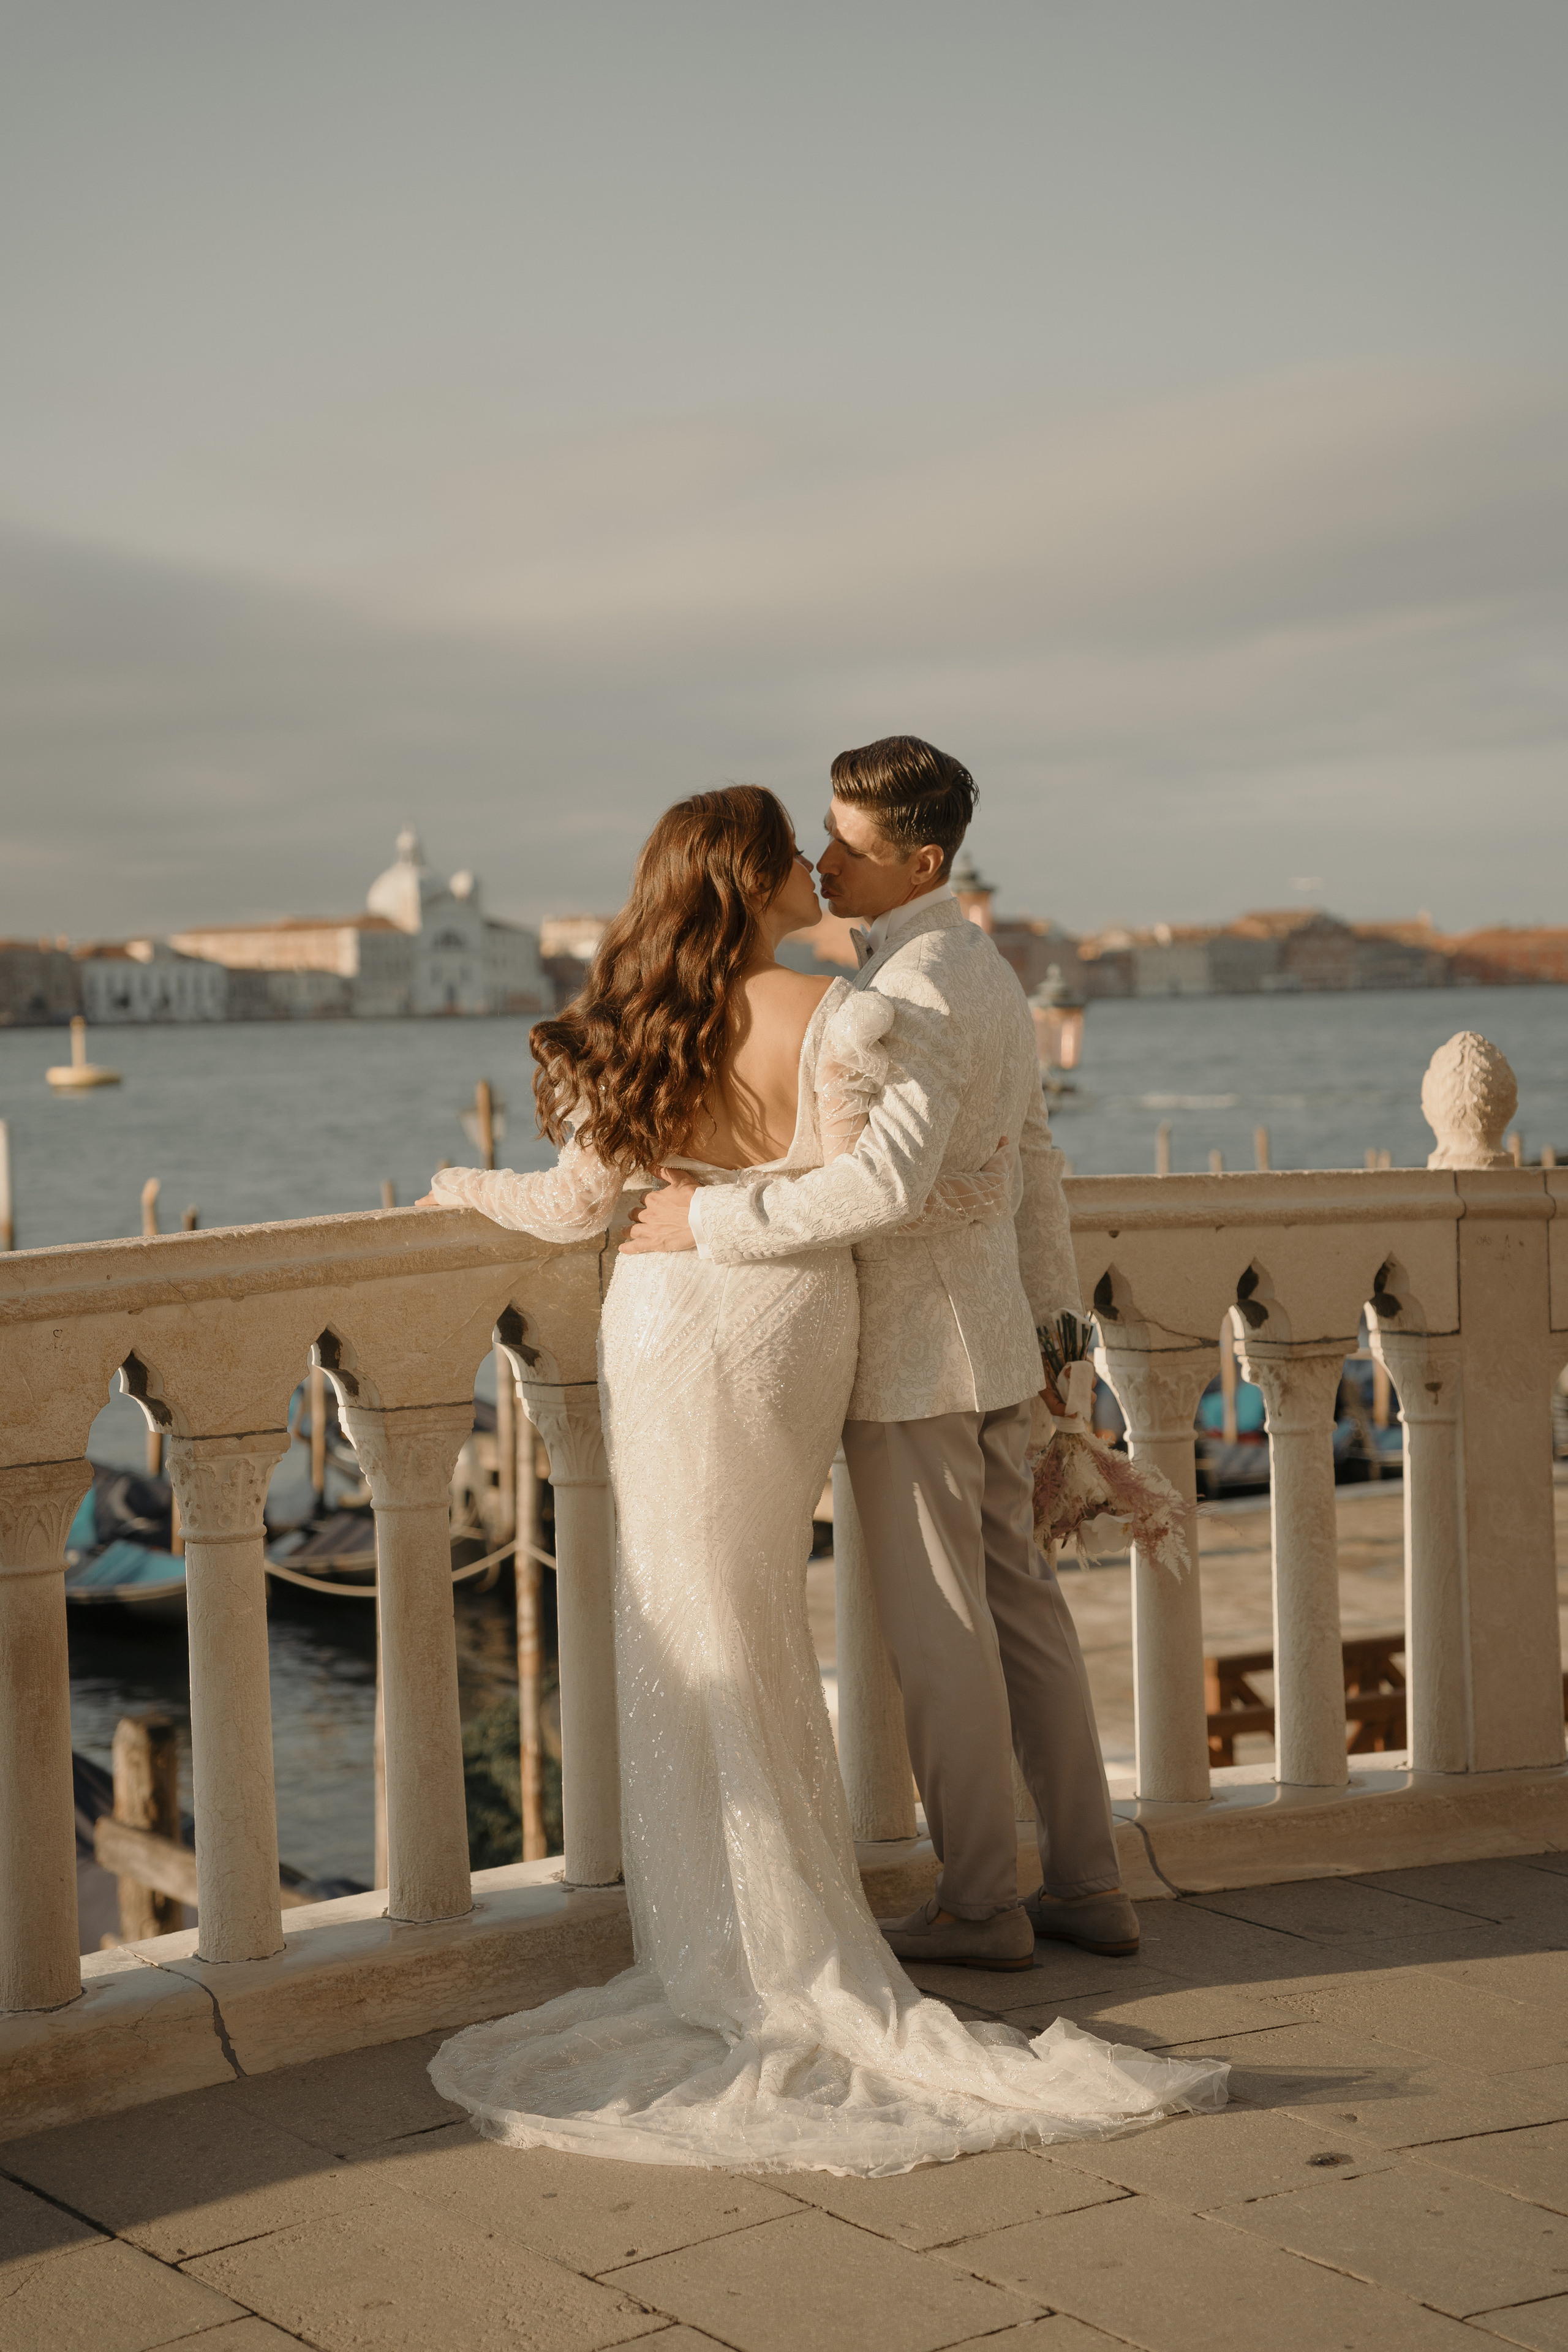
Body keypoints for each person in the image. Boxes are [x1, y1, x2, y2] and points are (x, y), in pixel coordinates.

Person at [421, 782, 1225, 2174]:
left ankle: (739, 1932)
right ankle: (843, 1912)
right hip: (807, 1328)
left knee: (695, 1613)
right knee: (755, 1614)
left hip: (676, 1315)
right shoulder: (842, 1014)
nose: (813, 862)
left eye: (833, 843)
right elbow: (933, 1174)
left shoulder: (644, 1023)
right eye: (794, 849)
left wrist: (451, 1186)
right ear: (750, 886)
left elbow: (569, 1209)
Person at [625, 738, 1139, 1972]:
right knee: (1019, 1616)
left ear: (916, 859)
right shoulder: (990, 971)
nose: (818, 857)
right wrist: (1057, 1323)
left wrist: (708, 1217)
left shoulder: (907, 989)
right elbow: (1034, 1167)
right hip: (995, 1344)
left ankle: (980, 1904)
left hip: (915, 1359)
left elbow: (884, 1186)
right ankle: (1084, 1884)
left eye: (845, 844)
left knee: (939, 1638)